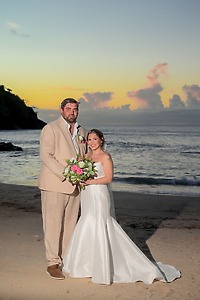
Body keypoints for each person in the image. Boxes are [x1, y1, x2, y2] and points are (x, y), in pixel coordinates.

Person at [62, 129, 181, 285]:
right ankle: (86, 265)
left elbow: (109, 177)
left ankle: (105, 266)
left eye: (95, 139)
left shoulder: (105, 157)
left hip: (99, 194)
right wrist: (77, 177)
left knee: (101, 223)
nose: (91, 142)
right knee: (87, 221)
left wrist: (91, 181)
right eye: (89, 139)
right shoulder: (85, 157)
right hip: (87, 194)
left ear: (101, 140)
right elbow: (81, 173)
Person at [37, 98, 87, 280]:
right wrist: (67, 174)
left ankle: (66, 259)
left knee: (69, 226)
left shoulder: (82, 131)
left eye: (75, 109)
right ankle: (52, 263)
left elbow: (85, 156)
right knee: (53, 225)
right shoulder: (50, 129)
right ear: (61, 110)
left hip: (75, 187)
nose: (72, 112)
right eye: (68, 109)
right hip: (54, 184)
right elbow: (46, 156)